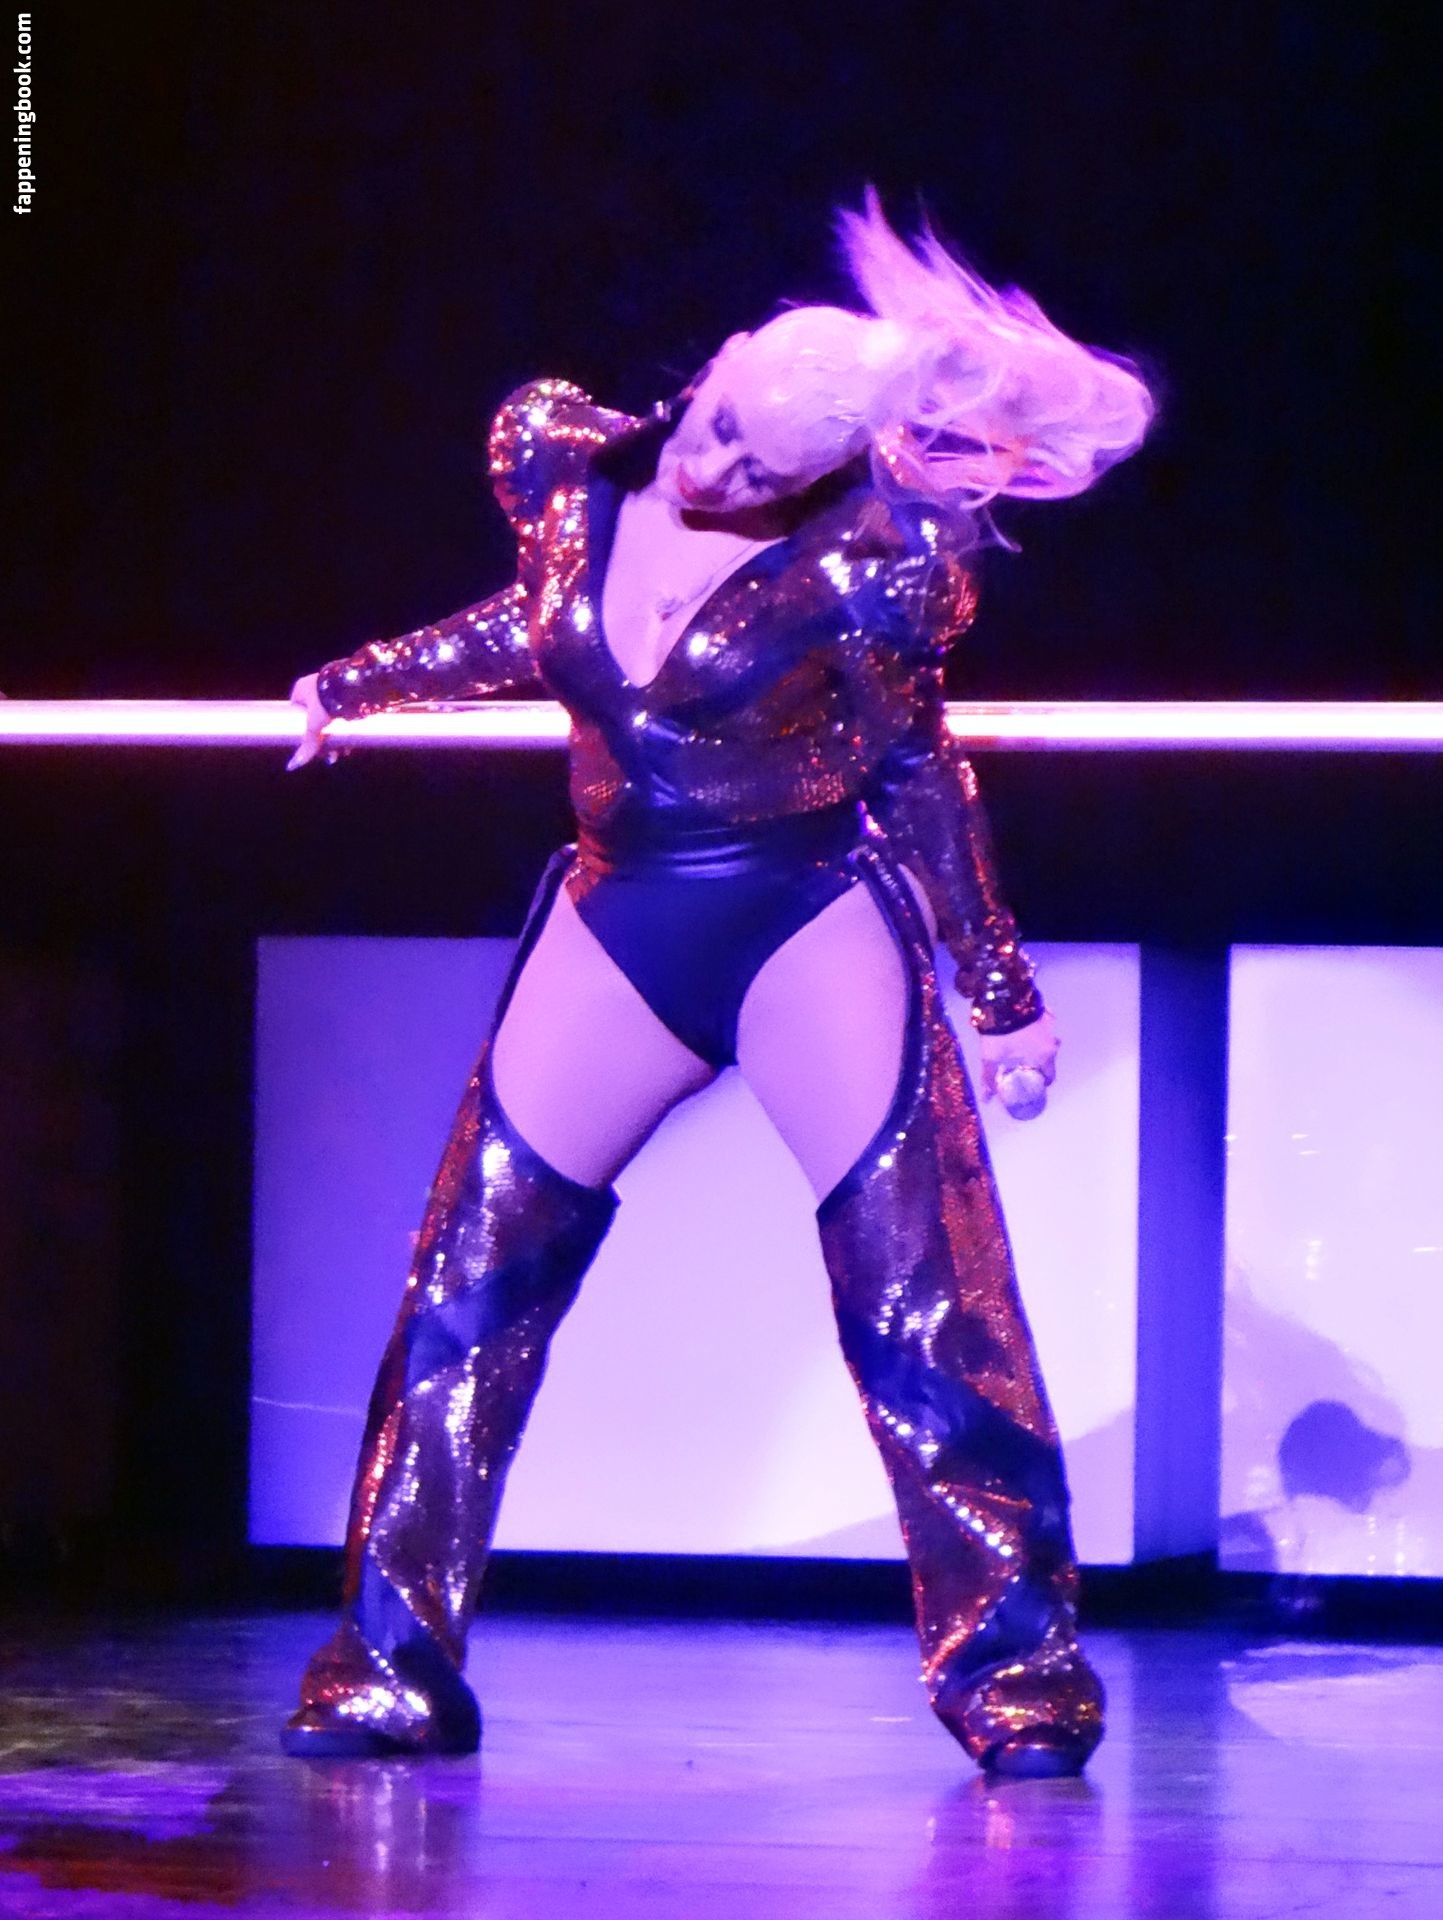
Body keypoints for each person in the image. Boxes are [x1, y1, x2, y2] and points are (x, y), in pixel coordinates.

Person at [281, 193, 1153, 1777]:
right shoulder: (562, 462)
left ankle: (1018, 1680)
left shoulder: (867, 566)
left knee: (922, 1302)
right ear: (720, 364)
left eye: (764, 466)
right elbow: (542, 633)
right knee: (468, 1290)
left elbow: (919, 777)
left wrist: (1000, 992)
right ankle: (388, 1667)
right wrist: (360, 683)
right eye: (722, 427)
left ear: (829, 466)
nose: (721, 468)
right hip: (622, 913)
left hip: (800, 914)